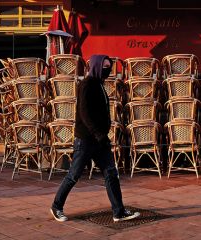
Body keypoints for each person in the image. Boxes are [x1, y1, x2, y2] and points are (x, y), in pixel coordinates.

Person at [50, 54, 140, 222]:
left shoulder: (99, 84)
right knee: (74, 175)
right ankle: (56, 207)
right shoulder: (87, 85)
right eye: (105, 66)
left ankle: (118, 212)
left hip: (100, 140)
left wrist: (103, 135)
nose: (108, 70)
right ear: (97, 66)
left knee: (111, 173)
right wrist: (99, 134)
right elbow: (85, 113)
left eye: (109, 66)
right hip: (85, 140)